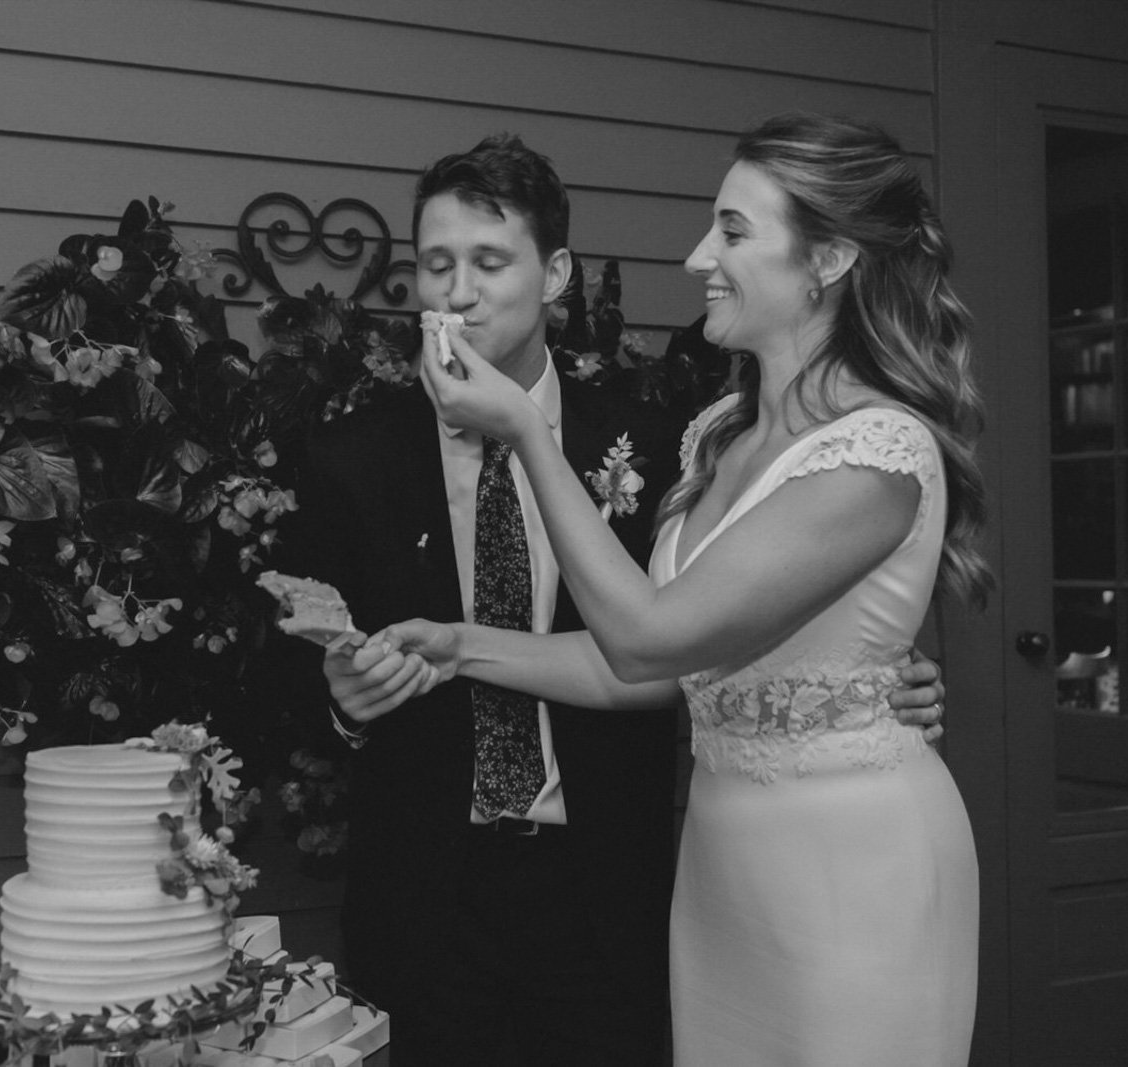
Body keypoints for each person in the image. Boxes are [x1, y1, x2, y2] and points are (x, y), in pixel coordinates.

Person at [292, 131, 949, 1066]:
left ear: (554, 273)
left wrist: (867, 677)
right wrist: (407, 666)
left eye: (488, 260)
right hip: (441, 893)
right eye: (437, 264)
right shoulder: (719, 435)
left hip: (629, 886)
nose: (459, 289)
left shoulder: (651, 436)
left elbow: (660, 638)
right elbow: (703, 636)